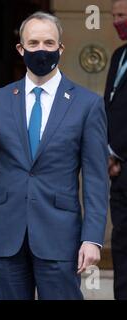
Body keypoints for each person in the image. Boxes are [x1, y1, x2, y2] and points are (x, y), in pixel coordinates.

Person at [0, 12, 109, 300]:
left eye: (49, 42)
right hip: (7, 235)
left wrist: (92, 238)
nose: (41, 50)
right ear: (20, 50)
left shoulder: (87, 104)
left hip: (59, 237)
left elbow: (97, 178)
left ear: (61, 49)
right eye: (33, 42)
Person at [104, 0, 127, 300]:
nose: (116, 21)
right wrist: (106, 152)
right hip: (118, 172)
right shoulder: (119, 55)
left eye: (122, 16)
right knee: (121, 245)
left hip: (121, 161)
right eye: (113, 16)